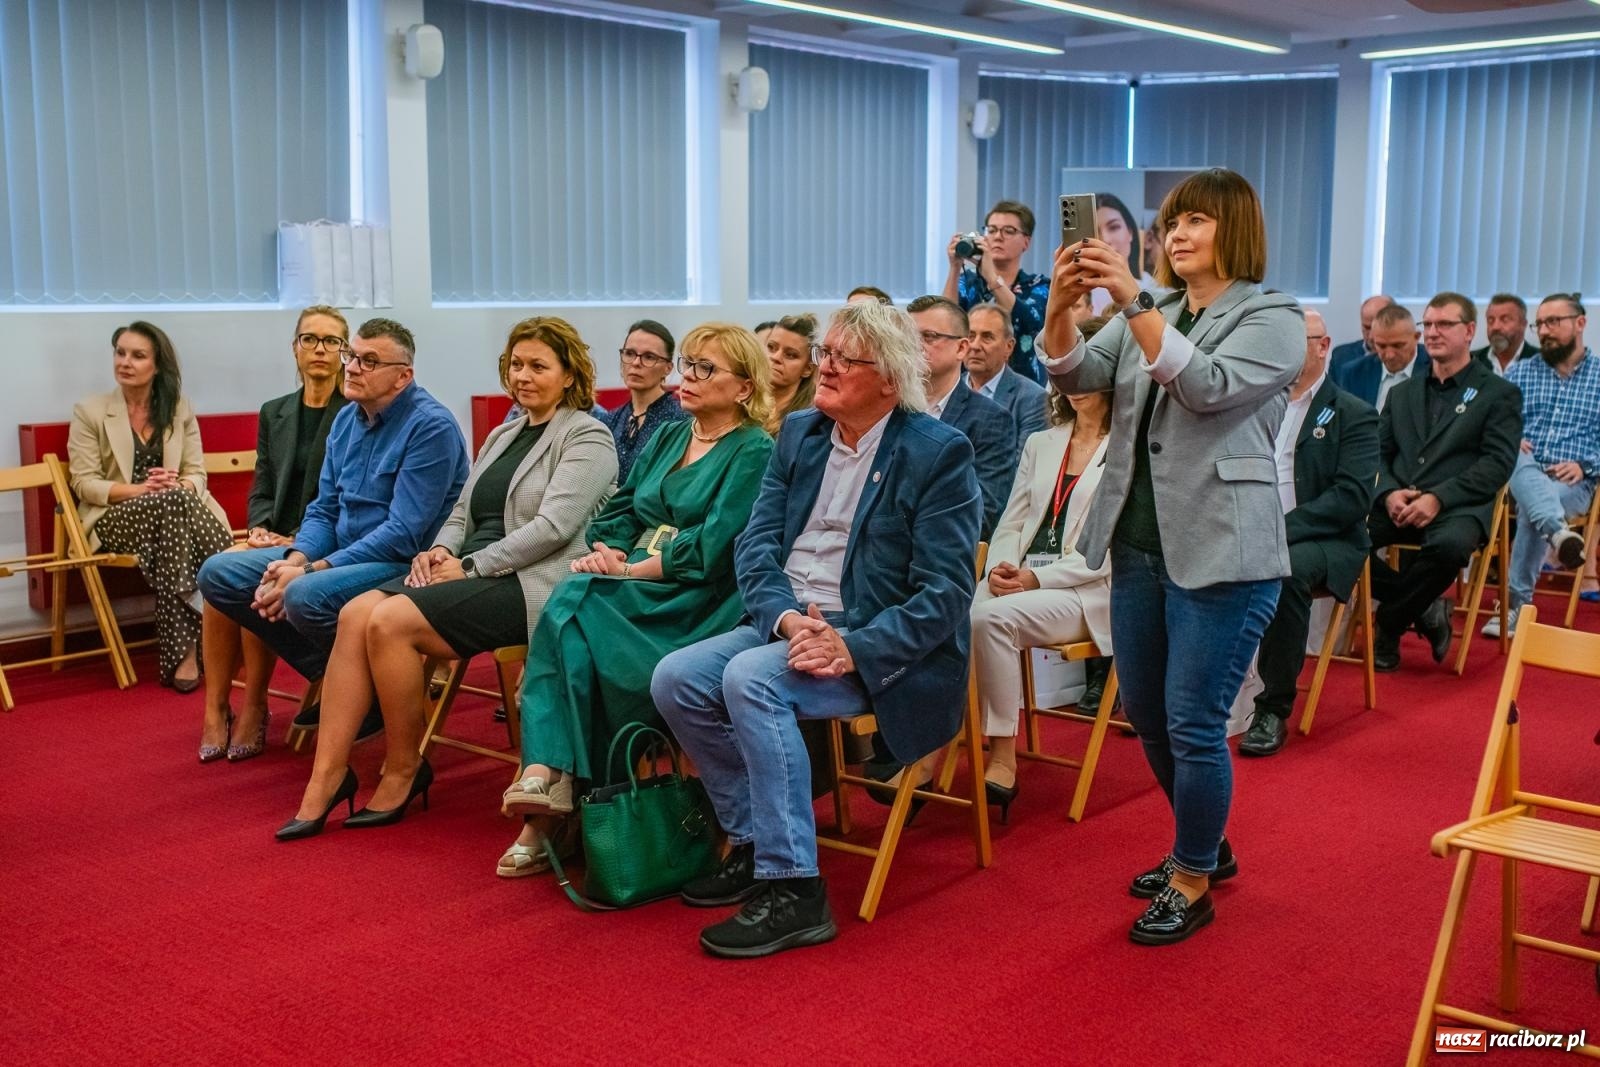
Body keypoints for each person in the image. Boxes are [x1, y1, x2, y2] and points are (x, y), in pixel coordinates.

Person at [652, 301, 982, 959]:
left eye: (841, 359)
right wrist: (782, 617)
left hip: (876, 641)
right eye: (824, 353)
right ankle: (754, 842)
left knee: (750, 679)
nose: (822, 367)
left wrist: (851, 646)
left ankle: (796, 889)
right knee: (676, 678)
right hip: (789, 622)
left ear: (888, 378)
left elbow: (946, 593)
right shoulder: (802, 432)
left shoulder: (937, 452)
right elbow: (755, 543)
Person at [1039, 167, 1304, 944]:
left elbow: (1206, 386)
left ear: (1235, 230)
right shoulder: (1154, 308)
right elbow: (1075, 374)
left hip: (1225, 552)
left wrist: (1130, 298)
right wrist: (1059, 309)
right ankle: (1205, 843)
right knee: (1149, 717)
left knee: (1193, 722)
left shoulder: (1273, 316)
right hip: (1138, 547)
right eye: (1173, 223)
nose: (1176, 234)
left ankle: (1193, 877)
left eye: (1196, 221)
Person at [277, 317, 618, 842]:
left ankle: (403, 768)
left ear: (569, 375)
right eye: (516, 365)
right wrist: (440, 550)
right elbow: (461, 512)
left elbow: (553, 528)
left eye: (538, 366)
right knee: (355, 613)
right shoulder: (504, 433)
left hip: (532, 581)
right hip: (472, 568)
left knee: (388, 621)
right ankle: (327, 777)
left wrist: (472, 565)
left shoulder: (587, 434)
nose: (523, 376)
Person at [496, 322, 774, 876]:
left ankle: (550, 783)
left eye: (705, 368)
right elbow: (620, 510)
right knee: (575, 610)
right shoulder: (670, 436)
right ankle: (558, 790)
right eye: (687, 364)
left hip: (692, 601)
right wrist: (610, 551)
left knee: (571, 604)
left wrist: (630, 568)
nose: (687, 377)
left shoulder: (754, 449)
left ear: (744, 387)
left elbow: (714, 547)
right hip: (633, 584)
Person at [196, 318, 470, 734]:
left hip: (404, 563)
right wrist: (297, 558)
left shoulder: (431, 427)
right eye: (352, 356)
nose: (353, 368)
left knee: (303, 594)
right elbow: (324, 509)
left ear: (403, 376)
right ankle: (351, 676)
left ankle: (357, 683)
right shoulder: (346, 421)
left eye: (369, 361)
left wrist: (312, 571)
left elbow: (403, 534)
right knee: (218, 573)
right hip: (342, 554)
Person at [198, 306, 351, 763]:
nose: (319, 349)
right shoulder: (275, 411)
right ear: (294, 348)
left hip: (322, 538)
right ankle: (215, 707)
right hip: (276, 533)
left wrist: (295, 539)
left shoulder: (354, 412)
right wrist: (260, 527)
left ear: (345, 352)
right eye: (310, 339)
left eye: (331, 341)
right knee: (219, 575)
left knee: (253, 575)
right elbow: (262, 482)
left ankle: (254, 705)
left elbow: (343, 498)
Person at [1237, 310, 1380, 757]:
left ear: (1323, 346)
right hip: (1248, 527)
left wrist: (1278, 531)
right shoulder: (1254, 404)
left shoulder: (1354, 414)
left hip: (1323, 537)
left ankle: (1271, 708)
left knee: (1285, 573)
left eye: (1297, 339)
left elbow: (1351, 498)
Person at [970, 381, 1113, 818]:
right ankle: (932, 745)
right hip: (1020, 579)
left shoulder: (1130, 446)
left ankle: (1001, 755)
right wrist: (1000, 567)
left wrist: (1036, 577)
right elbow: (1012, 522)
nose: (1075, 387)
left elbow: (1106, 552)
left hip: (1084, 590)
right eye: (1068, 378)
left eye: (1087, 376)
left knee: (988, 621)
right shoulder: (1041, 442)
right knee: (948, 613)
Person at [69, 322, 233, 691]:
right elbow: (84, 483)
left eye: (138, 355)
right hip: (115, 520)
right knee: (172, 505)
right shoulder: (90, 411)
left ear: (157, 366)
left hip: (174, 521)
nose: (125, 362)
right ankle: (228, 612)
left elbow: (196, 473)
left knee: (174, 505)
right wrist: (142, 490)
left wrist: (177, 485)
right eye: (120, 353)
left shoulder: (178, 408)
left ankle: (184, 653)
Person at [1366, 292, 1521, 671]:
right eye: (1429, 324)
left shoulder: (1498, 394)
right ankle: (1425, 608)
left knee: (1450, 548)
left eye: (1445, 324)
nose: (1433, 332)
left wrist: (1438, 498)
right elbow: (1376, 455)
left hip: (1458, 506)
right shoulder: (1402, 393)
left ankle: (1390, 621)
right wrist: (1388, 493)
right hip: (1399, 501)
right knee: (1342, 540)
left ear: (1469, 331)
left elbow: (1497, 465)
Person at [1489, 293, 1598, 638]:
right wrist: (1510, 437)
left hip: (1572, 482)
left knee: (1535, 504)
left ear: (1580, 323)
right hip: (1516, 474)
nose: (1545, 331)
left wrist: (1585, 464)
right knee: (1515, 456)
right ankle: (1558, 533)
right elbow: (1493, 424)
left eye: (1553, 322)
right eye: (1540, 324)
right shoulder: (1520, 373)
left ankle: (1514, 606)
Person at [905, 295, 1015, 540]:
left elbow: (984, 513)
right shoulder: (892, 408)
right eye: (910, 338)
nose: (916, 346)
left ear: (961, 348)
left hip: (943, 548)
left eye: (929, 337)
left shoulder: (990, 419)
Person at [943, 199, 1050, 382]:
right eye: (991, 230)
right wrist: (954, 267)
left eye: (1008, 231)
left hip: (1023, 385)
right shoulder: (968, 282)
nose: (998, 237)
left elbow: (1029, 322)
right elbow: (946, 322)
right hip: (968, 383)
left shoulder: (1039, 286)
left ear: (1026, 242)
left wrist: (991, 278)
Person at [597, 320, 687, 485]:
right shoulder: (609, 420)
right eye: (630, 353)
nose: (636, 363)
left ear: (668, 368)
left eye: (649, 357)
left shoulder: (680, 421)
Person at [965, 302, 1049, 452]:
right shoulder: (947, 388)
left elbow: (1024, 462)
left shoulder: (1033, 399)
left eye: (987, 337)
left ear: (1008, 347)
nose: (975, 346)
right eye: (970, 336)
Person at [1335, 303, 1430, 410]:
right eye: (1381, 346)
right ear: (1373, 340)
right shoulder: (1354, 374)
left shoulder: (1435, 369)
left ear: (1416, 337)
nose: (1390, 355)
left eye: (1398, 346)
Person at [1088, 192, 1156, 315]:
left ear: (1130, 232)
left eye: (1114, 227)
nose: (1106, 239)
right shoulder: (1082, 293)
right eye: (1096, 232)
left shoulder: (1154, 289)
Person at [764, 312, 819, 433]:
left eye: (790, 355)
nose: (775, 357)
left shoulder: (809, 421)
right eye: (771, 347)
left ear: (807, 369)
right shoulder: (740, 402)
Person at [1329, 294, 1395, 379]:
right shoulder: (1341, 357)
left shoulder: (1406, 357)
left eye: (1378, 328)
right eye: (1367, 328)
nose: (1371, 336)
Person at [1472, 293, 1539, 376]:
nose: (1495, 327)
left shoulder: (1542, 361)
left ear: (1523, 324)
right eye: (1491, 320)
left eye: (1505, 320)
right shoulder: (1471, 361)